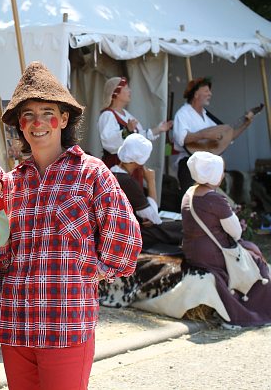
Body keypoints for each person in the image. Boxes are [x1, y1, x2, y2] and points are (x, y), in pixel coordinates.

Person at [0, 62, 142, 390]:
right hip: (15, 326)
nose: (38, 123)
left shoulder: (91, 173)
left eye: (48, 113)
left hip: (66, 327)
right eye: (28, 115)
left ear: (65, 118)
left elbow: (126, 239)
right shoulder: (11, 183)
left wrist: (87, 274)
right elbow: (0, 256)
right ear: (19, 125)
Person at [181, 151, 271, 328]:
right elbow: (236, 233)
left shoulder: (189, 194)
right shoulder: (214, 199)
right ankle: (253, 311)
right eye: (220, 171)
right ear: (212, 174)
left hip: (191, 251)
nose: (222, 175)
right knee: (256, 260)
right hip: (212, 254)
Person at [112, 134, 183, 252]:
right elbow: (155, 219)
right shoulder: (127, 181)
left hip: (119, 230)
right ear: (139, 161)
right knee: (181, 228)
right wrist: (151, 181)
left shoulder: (112, 172)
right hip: (126, 234)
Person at [98, 77, 172, 177]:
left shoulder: (127, 115)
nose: (130, 91)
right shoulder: (107, 115)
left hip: (133, 168)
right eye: (126, 88)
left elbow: (139, 137)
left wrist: (159, 129)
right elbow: (109, 143)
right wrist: (127, 131)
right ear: (116, 93)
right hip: (117, 166)